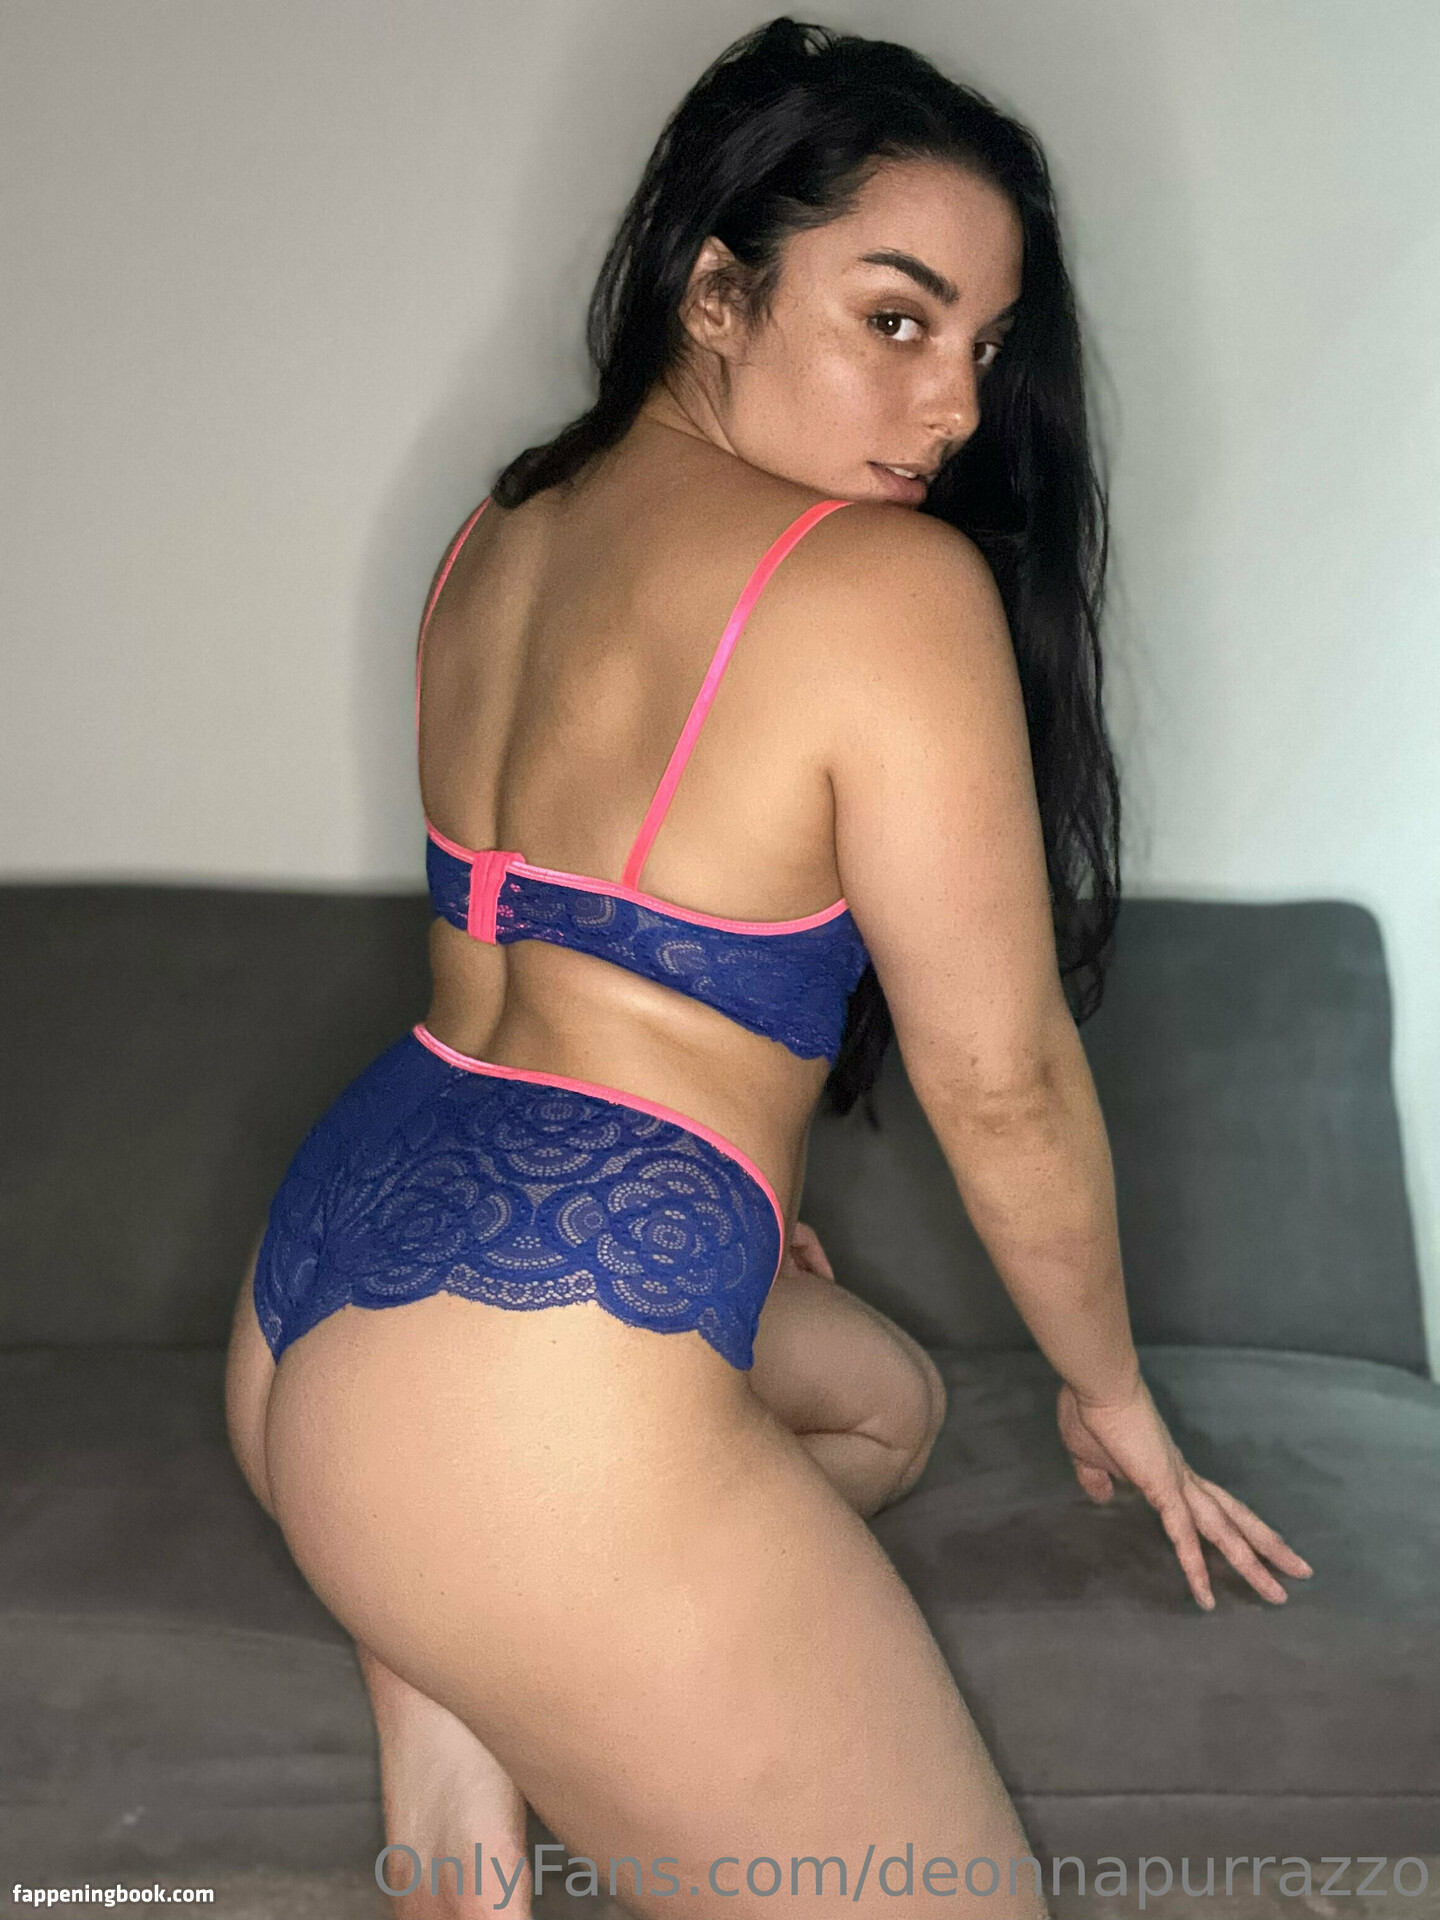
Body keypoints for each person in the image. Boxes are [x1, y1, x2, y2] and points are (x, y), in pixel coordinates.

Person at [223, 19, 1312, 1920]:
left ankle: (454, 1656)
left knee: (883, 1404)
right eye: (896, 321)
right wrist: (1112, 1390)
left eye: (985, 346)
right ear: (715, 290)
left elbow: (547, 963)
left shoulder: (505, 524)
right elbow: (1001, 1081)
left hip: (321, 1281)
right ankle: (474, 1600)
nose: (954, 405)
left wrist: (731, 1183)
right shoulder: (885, 589)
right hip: (519, 1384)